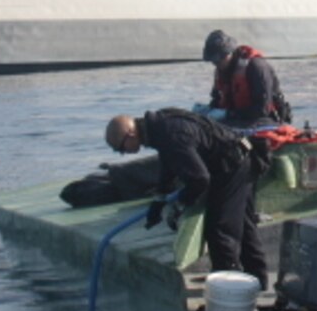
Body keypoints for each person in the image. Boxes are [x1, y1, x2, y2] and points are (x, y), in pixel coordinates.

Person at [104, 109, 268, 289]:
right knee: (244, 225)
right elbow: (169, 165)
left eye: (121, 148)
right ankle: (258, 280)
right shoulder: (159, 126)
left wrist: (180, 205)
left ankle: (227, 289)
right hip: (240, 158)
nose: (123, 154)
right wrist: (158, 203)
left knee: (220, 230)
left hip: (232, 166)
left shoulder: (169, 134)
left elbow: (199, 179)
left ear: (131, 134)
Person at [202, 29, 291, 128]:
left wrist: (229, 114)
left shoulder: (256, 67)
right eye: (214, 61)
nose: (216, 64)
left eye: (219, 60)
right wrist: (207, 112)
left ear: (229, 53)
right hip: (236, 121)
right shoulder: (221, 70)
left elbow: (262, 109)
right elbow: (216, 100)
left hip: (265, 121)